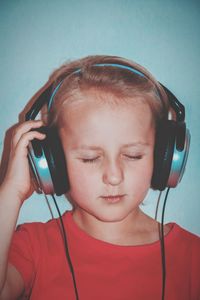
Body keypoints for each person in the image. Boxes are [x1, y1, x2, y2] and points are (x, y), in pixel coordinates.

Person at [0, 55, 199, 300]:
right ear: (54, 162)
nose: (114, 177)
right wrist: (11, 193)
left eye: (133, 155)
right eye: (90, 158)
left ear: (163, 157)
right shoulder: (34, 246)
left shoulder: (192, 257)